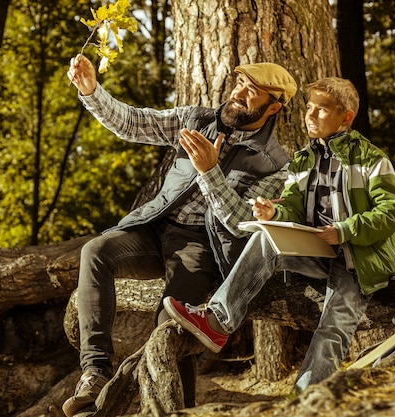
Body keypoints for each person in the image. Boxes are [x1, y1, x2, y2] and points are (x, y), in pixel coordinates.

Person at [62, 53, 297, 417]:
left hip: (202, 245)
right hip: (154, 227)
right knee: (96, 251)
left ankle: (180, 410)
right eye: (240, 84)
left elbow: (238, 223)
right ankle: (94, 373)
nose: (239, 94)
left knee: (171, 322)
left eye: (253, 92)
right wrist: (92, 90)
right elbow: (136, 123)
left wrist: (209, 171)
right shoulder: (197, 119)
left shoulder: (276, 163)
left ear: (274, 107)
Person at [164, 77, 395, 394]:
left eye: (322, 110)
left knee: (334, 324)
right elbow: (292, 205)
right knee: (266, 237)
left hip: (360, 258)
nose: (311, 115)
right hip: (318, 248)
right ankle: (217, 322)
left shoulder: (370, 158)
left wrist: (345, 230)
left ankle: (306, 396)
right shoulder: (305, 159)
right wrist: (273, 213)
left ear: (345, 117)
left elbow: (392, 211)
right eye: (309, 107)